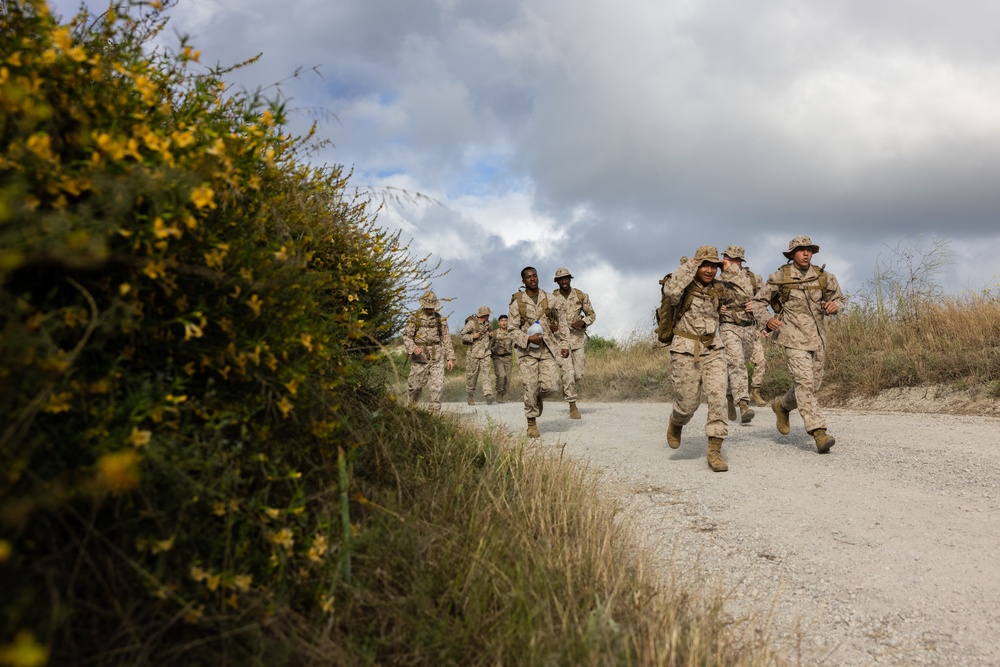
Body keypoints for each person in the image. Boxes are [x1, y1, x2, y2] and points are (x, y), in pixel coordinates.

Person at [751, 236, 846, 453]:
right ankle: (818, 432)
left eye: (809, 250)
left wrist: (834, 306)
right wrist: (767, 320)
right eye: (801, 250)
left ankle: (782, 406)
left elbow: (840, 299)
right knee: (804, 383)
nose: (806, 254)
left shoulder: (823, 277)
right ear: (792, 253)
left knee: (812, 386)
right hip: (792, 336)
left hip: (818, 338)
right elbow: (757, 302)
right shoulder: (780, 277)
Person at [663, 246, 747, 472]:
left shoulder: (720, 288)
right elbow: (670, 293)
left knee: (718, 398)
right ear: (697, 264)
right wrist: (689, 265)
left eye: (714, 266)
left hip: (714, 349)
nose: (710, 270)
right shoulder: (683, 284)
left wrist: (730, 270)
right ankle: (677, 421)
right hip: (684, 349)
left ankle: (715, 450)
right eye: (705, 265)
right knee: (688, 403)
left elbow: (746, 294)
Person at [508, 266, 565, 438]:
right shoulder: (517, 303)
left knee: (552, 387)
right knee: (530, 387)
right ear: (523, 281)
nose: (532, 279)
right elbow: (511, 330)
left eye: (535, 276)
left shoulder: (549, 298)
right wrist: (527, 339)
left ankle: (539, 396)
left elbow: (561, 318)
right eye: (528, 277)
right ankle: (531, 422)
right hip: (527, 353)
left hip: (547, 350)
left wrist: (564, 344)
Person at [719, 245, 758, 424]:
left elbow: (762, 298)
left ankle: (729, 394)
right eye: (726, 258)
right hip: (728, 325)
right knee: (736, 364)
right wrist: (717, 307)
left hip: (749, 326)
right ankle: (743, 404)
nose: (727, 262)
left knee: (743, 362)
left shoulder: (753, 279)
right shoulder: (720, 280)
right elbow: (711, 300)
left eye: (732, 259)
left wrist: (756, 306)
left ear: (740, 261)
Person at [551, 267, 596, 419]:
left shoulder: (580, 295)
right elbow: (544, 316)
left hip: (577, 339)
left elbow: (591, 314)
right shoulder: (551, 298)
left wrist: (583, 322)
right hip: (560, 340)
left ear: (570, 279)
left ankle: (567, 386)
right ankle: (572, 405)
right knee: (568, 372)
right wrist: (550, 326)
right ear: (557, 282)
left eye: (566, 278)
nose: (564, 281)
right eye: (560, 279)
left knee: (579, 373)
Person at [402, 290, 456, 413]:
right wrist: (413, 348)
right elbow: (406, 336)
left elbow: (446, 338)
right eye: (428, 307)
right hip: (420, 358)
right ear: (423, 305)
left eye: (432, 307)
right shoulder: (414, 318)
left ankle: (434, 413)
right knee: (415, 386)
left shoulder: (441, 319)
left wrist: (450, 358)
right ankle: (411, 409)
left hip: (437, 356)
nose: (430, 310)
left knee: (437, 386)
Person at [744, 262, 769, 407]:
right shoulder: (724, 279)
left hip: (752, 328)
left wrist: (764, 326)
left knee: (760, 361)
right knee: (736, 364)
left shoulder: (754, 279)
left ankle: (754, 391)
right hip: (733, 329)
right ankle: (736, 395)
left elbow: (763, 302)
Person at [461, 305, 495, 405]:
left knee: (486, 374)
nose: (489, 316)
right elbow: (462, 335)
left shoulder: (489, 324)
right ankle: (470, 395)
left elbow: (490, 335)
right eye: (487, 314)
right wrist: (472, 336)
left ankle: (488, 395)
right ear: (483, 315)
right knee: (472, 376)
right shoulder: (472, 324)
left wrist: (490, 335)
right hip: (473, 354)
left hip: (485, 353)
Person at [490, 314, 514, 403]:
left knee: (507, 379)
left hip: (508, 357)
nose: (504, 322)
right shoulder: (494, 333)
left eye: (505, 320)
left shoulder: (511, 333)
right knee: (501, 375)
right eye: (502, 321)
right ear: (499, 323)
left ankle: (503, 394)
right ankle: (499, 393)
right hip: (497, 357)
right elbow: (489, 345)